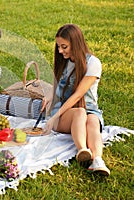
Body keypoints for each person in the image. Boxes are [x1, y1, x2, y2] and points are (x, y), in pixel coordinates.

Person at [42, 24, 110, 176]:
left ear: (76, 43)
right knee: (79, 113)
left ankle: (98, 160)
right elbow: (56, 85)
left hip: (89, 108)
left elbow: (78, 95)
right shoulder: (63, 61)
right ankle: (82, 151)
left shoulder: (93, 63)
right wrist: (50, 99)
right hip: (67, 111)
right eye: (59, 46)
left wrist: (54, 117)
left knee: (92, 121)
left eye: (64, 46)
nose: (60, 51)